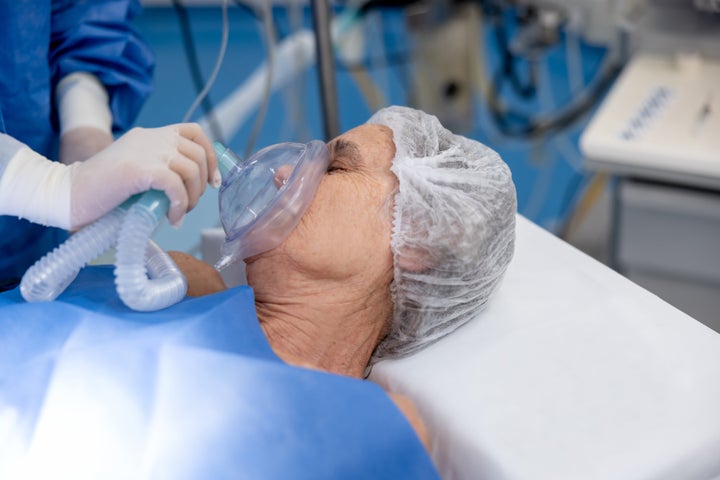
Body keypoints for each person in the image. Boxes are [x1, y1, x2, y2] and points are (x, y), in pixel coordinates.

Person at [0, 106, 516, 477]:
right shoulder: (172, 283)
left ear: (422, 237)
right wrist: (48, 186)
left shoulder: (370, 431)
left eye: (336, 167)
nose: (288, 171)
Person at [0, 1, 219, 289]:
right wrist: (50, 185)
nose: (284, 174)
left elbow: (85, 15)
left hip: (27, 254)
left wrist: (85, 123)